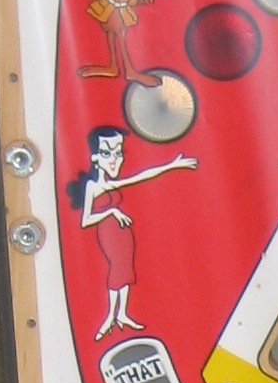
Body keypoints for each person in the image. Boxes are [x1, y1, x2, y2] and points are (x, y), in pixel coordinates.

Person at [70, 124, 196, 337]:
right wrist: (112, 212)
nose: (114, 160)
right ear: (95, 158)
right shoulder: (93, 186)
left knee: (126, 269)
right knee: (116, 270)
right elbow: (86, 220)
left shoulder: (112, 184)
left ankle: (122, 314)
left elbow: (143, 176)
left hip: (123, 235)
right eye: (107, 153)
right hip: (109, 235)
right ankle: (110, 316)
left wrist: (171, 165)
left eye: (118, 153)